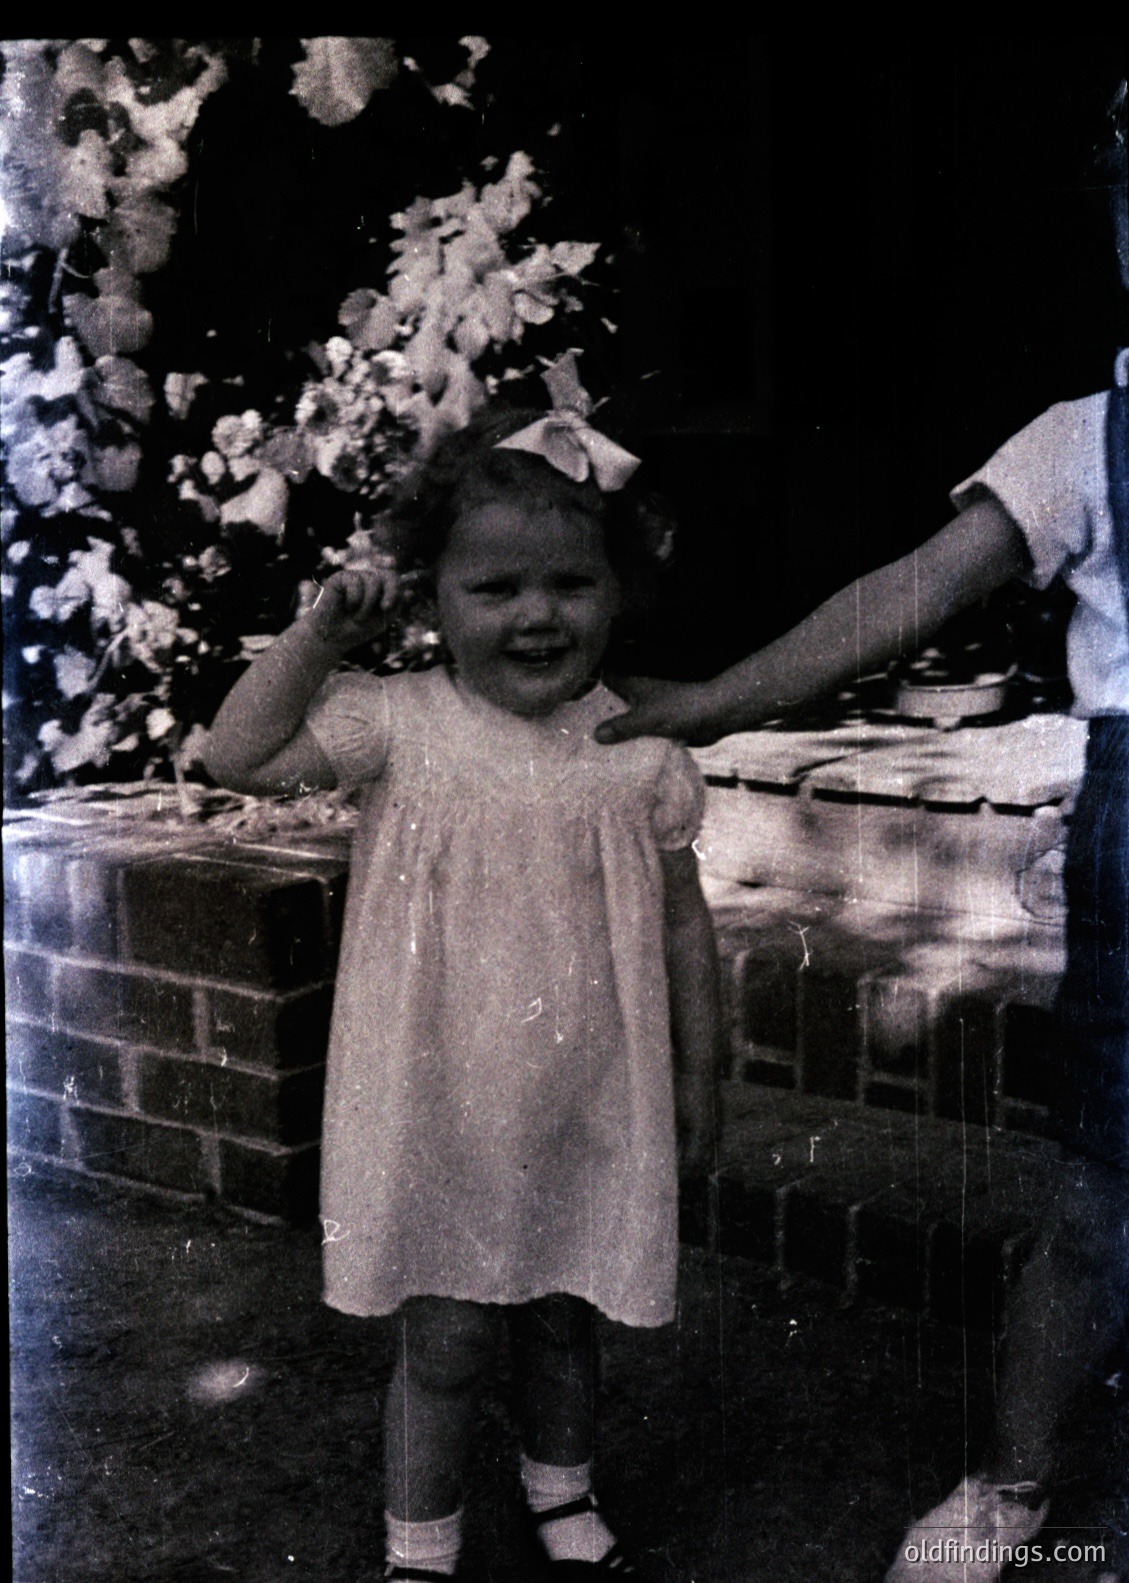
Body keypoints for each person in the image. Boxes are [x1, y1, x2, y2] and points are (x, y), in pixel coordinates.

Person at [595, 86, 1129, 1583]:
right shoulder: (1088, 443)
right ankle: (1015, 1484)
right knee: (1098, 1197)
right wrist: (710, 702)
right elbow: (901, 596)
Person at [201, 388, 723, 1582]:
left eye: (570, 584)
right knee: (441, 1337)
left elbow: (684, 930)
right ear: (434, 593)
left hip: (589, 1100)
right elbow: (234, 754)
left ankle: (560, 1485)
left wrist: (700, 1078)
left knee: (564, 1312)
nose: (536, 614)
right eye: (494, 588)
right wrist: (322, 637)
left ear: (619, 587)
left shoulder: (638, 748)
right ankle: (418, 1543)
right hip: (436, 1105)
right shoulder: (396, 724)